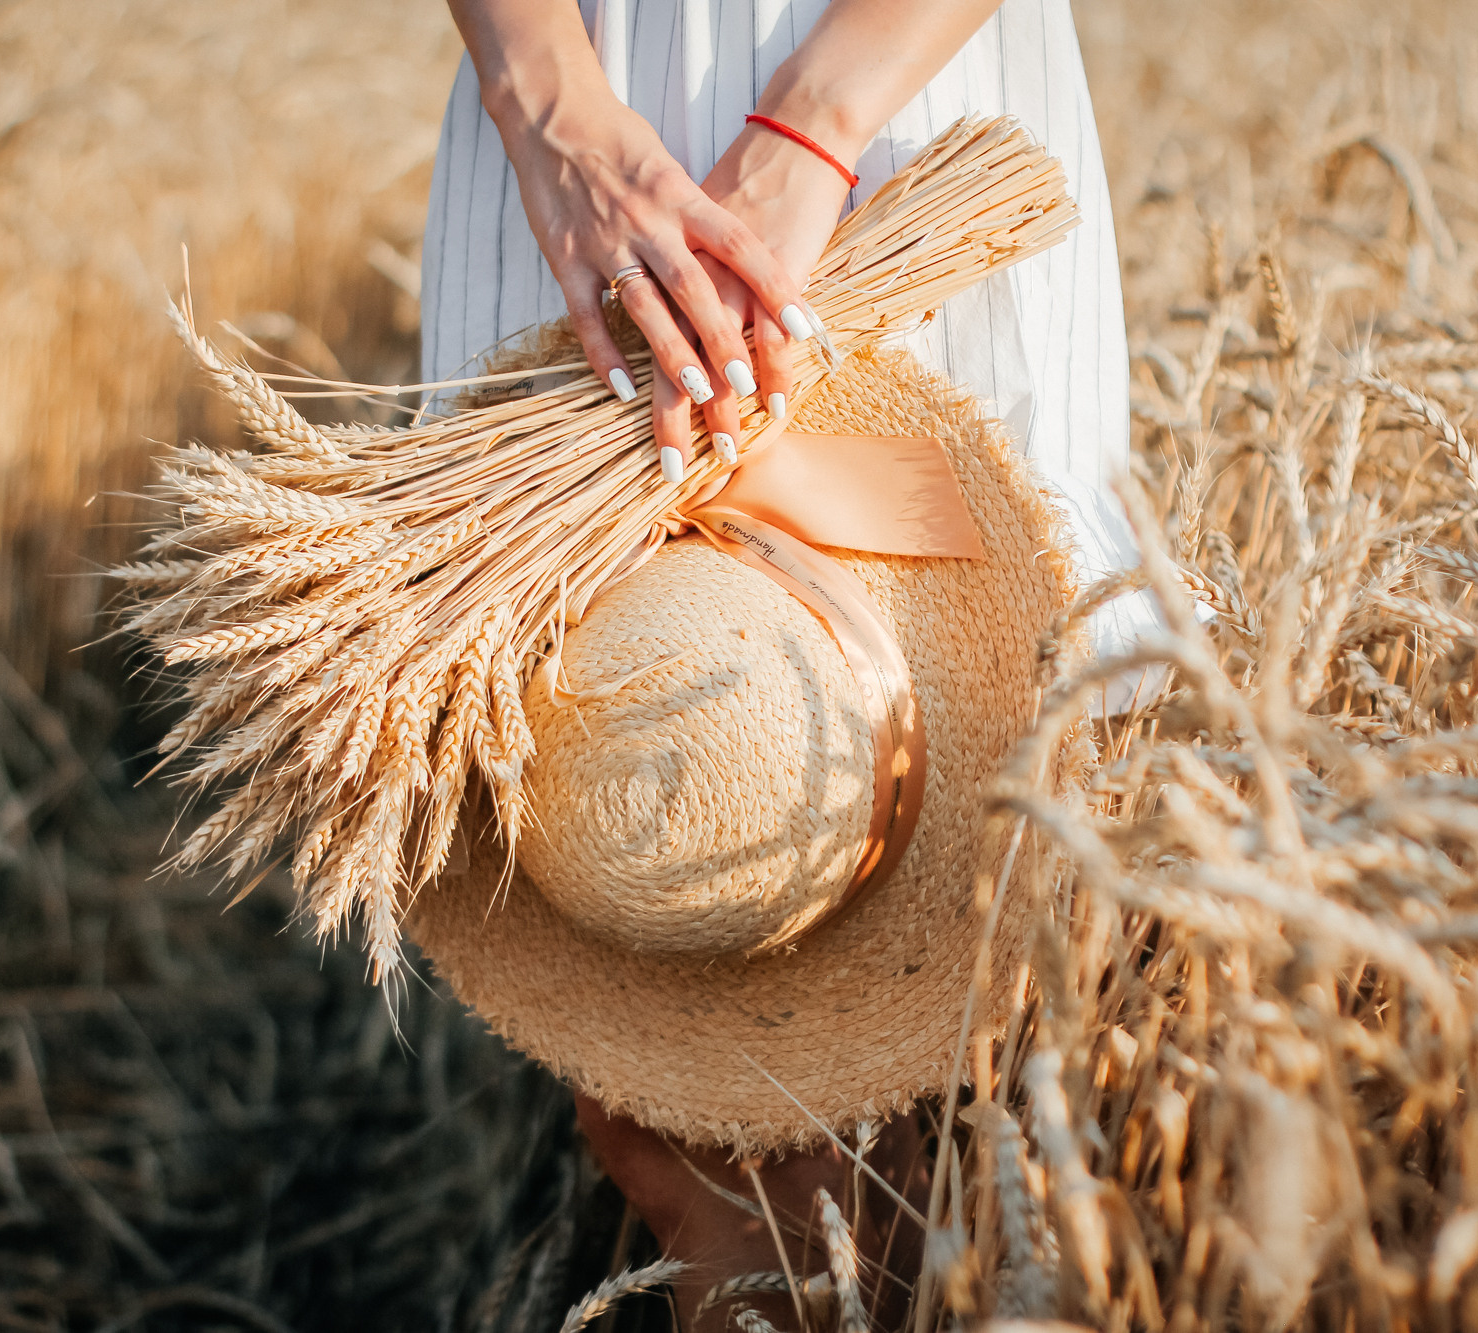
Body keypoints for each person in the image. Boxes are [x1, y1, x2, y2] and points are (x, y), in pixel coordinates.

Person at [420, 1, 1159, 1325]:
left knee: (1000, 945)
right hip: (578, 135)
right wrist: (550, 110)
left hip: (903, 101)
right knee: (648, 969)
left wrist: (809, 128)